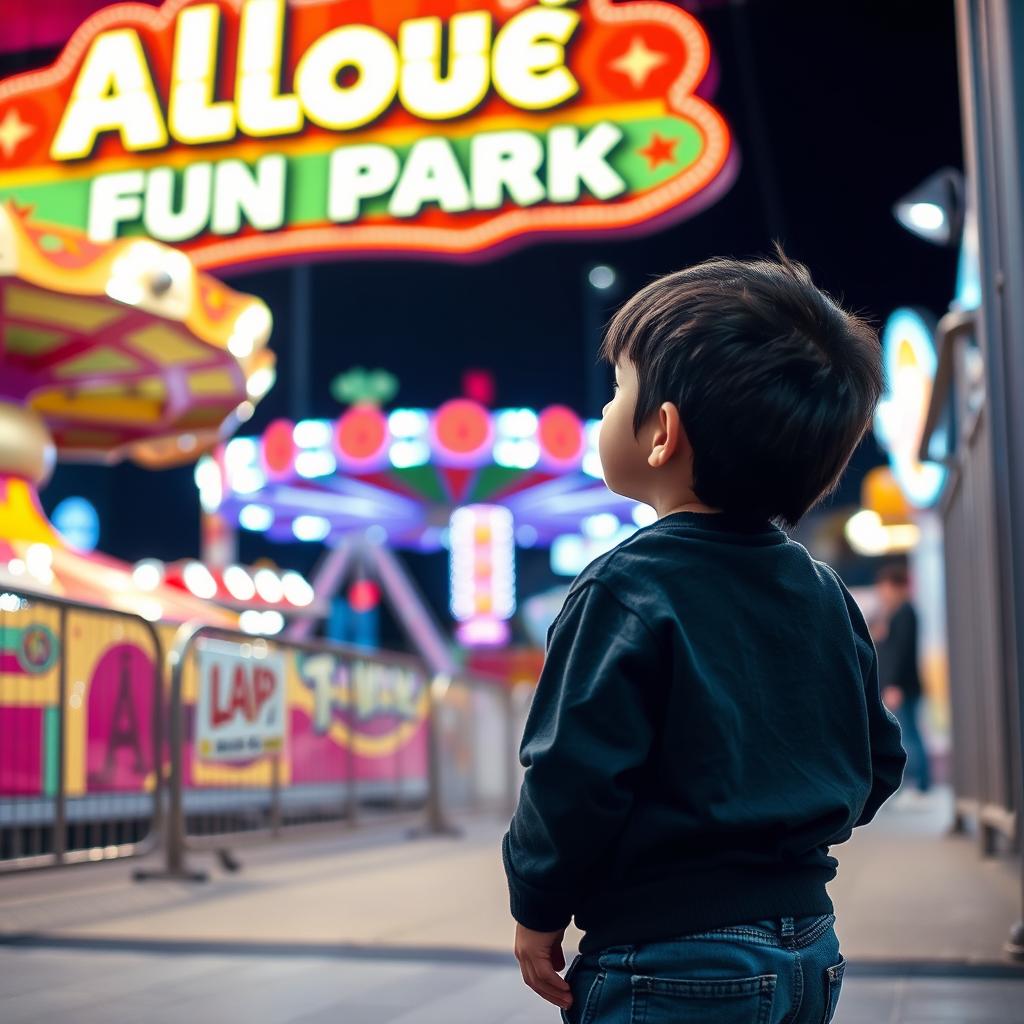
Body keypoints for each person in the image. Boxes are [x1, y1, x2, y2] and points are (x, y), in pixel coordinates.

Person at [501, 249, 907, 1024]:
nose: (604, 411)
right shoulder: (823, 590)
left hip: (668, 955)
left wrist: (537, 906)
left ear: (661, 434)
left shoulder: (622, 587)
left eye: (617, 391)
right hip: (811, 947)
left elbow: (570, 778)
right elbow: (878, 760)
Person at [875, 560, 931, 801]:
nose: (882, 592)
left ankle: (919, 787)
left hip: (903, 686)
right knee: (910, 733)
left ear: (896, 587)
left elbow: (901, 652)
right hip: (902, 685)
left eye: (885, 586)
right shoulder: (896, 614)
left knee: (909, 735)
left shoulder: (905, 613)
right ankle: (917, 786)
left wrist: (893, 684)